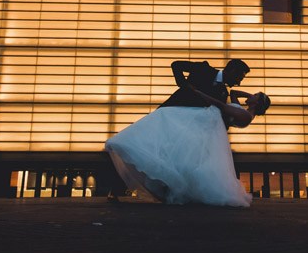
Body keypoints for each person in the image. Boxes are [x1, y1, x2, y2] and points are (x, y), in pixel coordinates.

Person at [104, 77, 270, 207]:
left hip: (205, 125)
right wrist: (251, 96)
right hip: (206, 124)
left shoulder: (246, 116)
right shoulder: (245, 111)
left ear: (257, 103)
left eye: (255, 95)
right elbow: (233, 92)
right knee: (176, 148)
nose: (251, 95)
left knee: (170, 129)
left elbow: (221, 105)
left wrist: (198, 93)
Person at [158, 58, 250, 109]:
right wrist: (184, 84)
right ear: (232, 71)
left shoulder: (223, 94)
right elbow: (176, 65)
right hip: (171, 109)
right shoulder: (203, 69)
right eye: (239, 79)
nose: (238, 83)